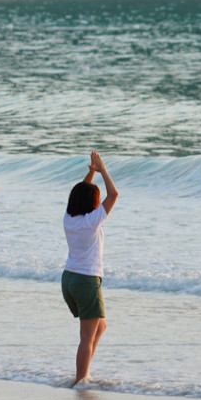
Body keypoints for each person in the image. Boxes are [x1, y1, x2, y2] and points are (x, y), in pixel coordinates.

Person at [62, 152, 118, 387]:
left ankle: (83, 373)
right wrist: (103, 169)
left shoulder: (69, 218)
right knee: (86, 336)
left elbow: (81, 192)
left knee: (100, 326)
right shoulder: (91, 221)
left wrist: (92, 171)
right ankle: (80, 379)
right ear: (91, 203)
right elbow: (113, 194)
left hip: (69, 280)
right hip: (86, 282)